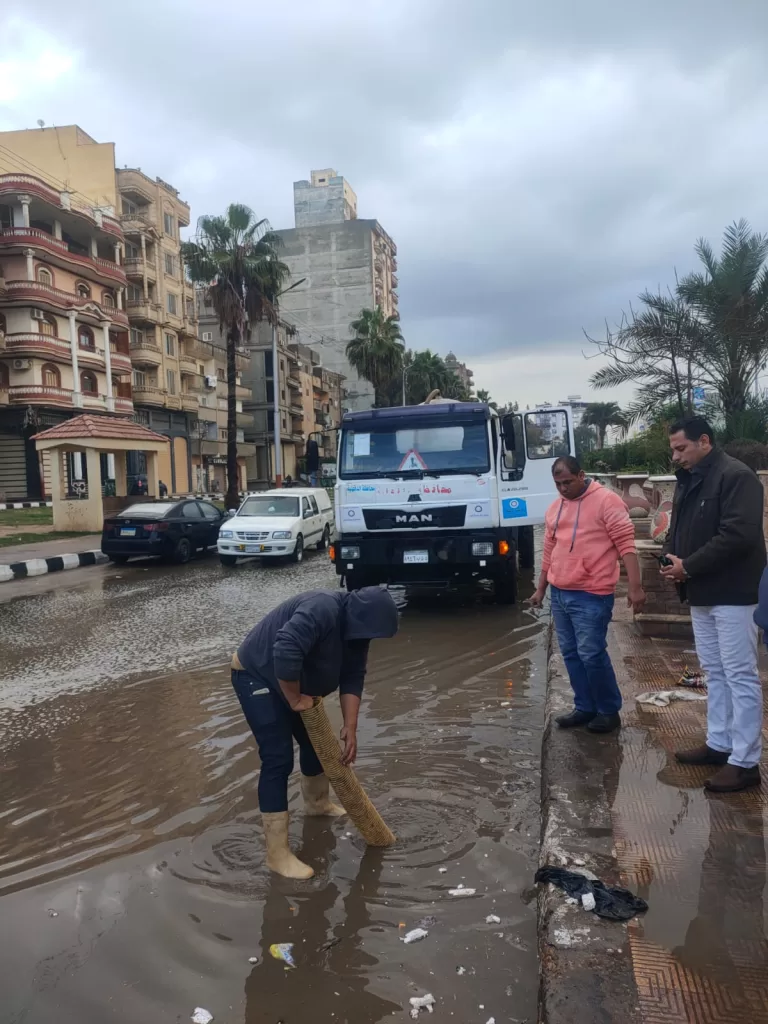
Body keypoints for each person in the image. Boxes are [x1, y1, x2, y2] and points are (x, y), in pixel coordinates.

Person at [231, 587, 399, 878]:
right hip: (256, 675)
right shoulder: (322, 609)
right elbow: (284, 649)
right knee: (277, 758)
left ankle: (317, 805)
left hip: (292, 683)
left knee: (317, 745)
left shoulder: (357, 634)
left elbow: (353, 675)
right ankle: (277, 855)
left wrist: (351, 725)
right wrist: (295, 700)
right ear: (358, 618)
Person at [662, 417, 765, 793]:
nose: (676, 456)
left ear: (704, 440)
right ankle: (720, 743)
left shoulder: (737, 477)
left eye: (681, 448)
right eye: (673, 449)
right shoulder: (690, 480)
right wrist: (668, 558)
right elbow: (678, 528)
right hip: (701, 591)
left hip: (734, 592)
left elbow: (737, 535)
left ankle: (746, 762)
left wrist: (688, 565)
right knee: (714, 671)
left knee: (740, 674)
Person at [530, 456, 646, 734]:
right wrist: (541, 588)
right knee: (571, 653)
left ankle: (608, 711)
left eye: (567, 482)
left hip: (592, 593)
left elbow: (626, 545)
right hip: (560, 593)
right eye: (558, 484)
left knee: (591, 654)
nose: (562, 488)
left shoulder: (607, 501)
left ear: (581, 475)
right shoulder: (555, 508)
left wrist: (636, 586)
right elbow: (549, 551)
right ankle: (585, 707)